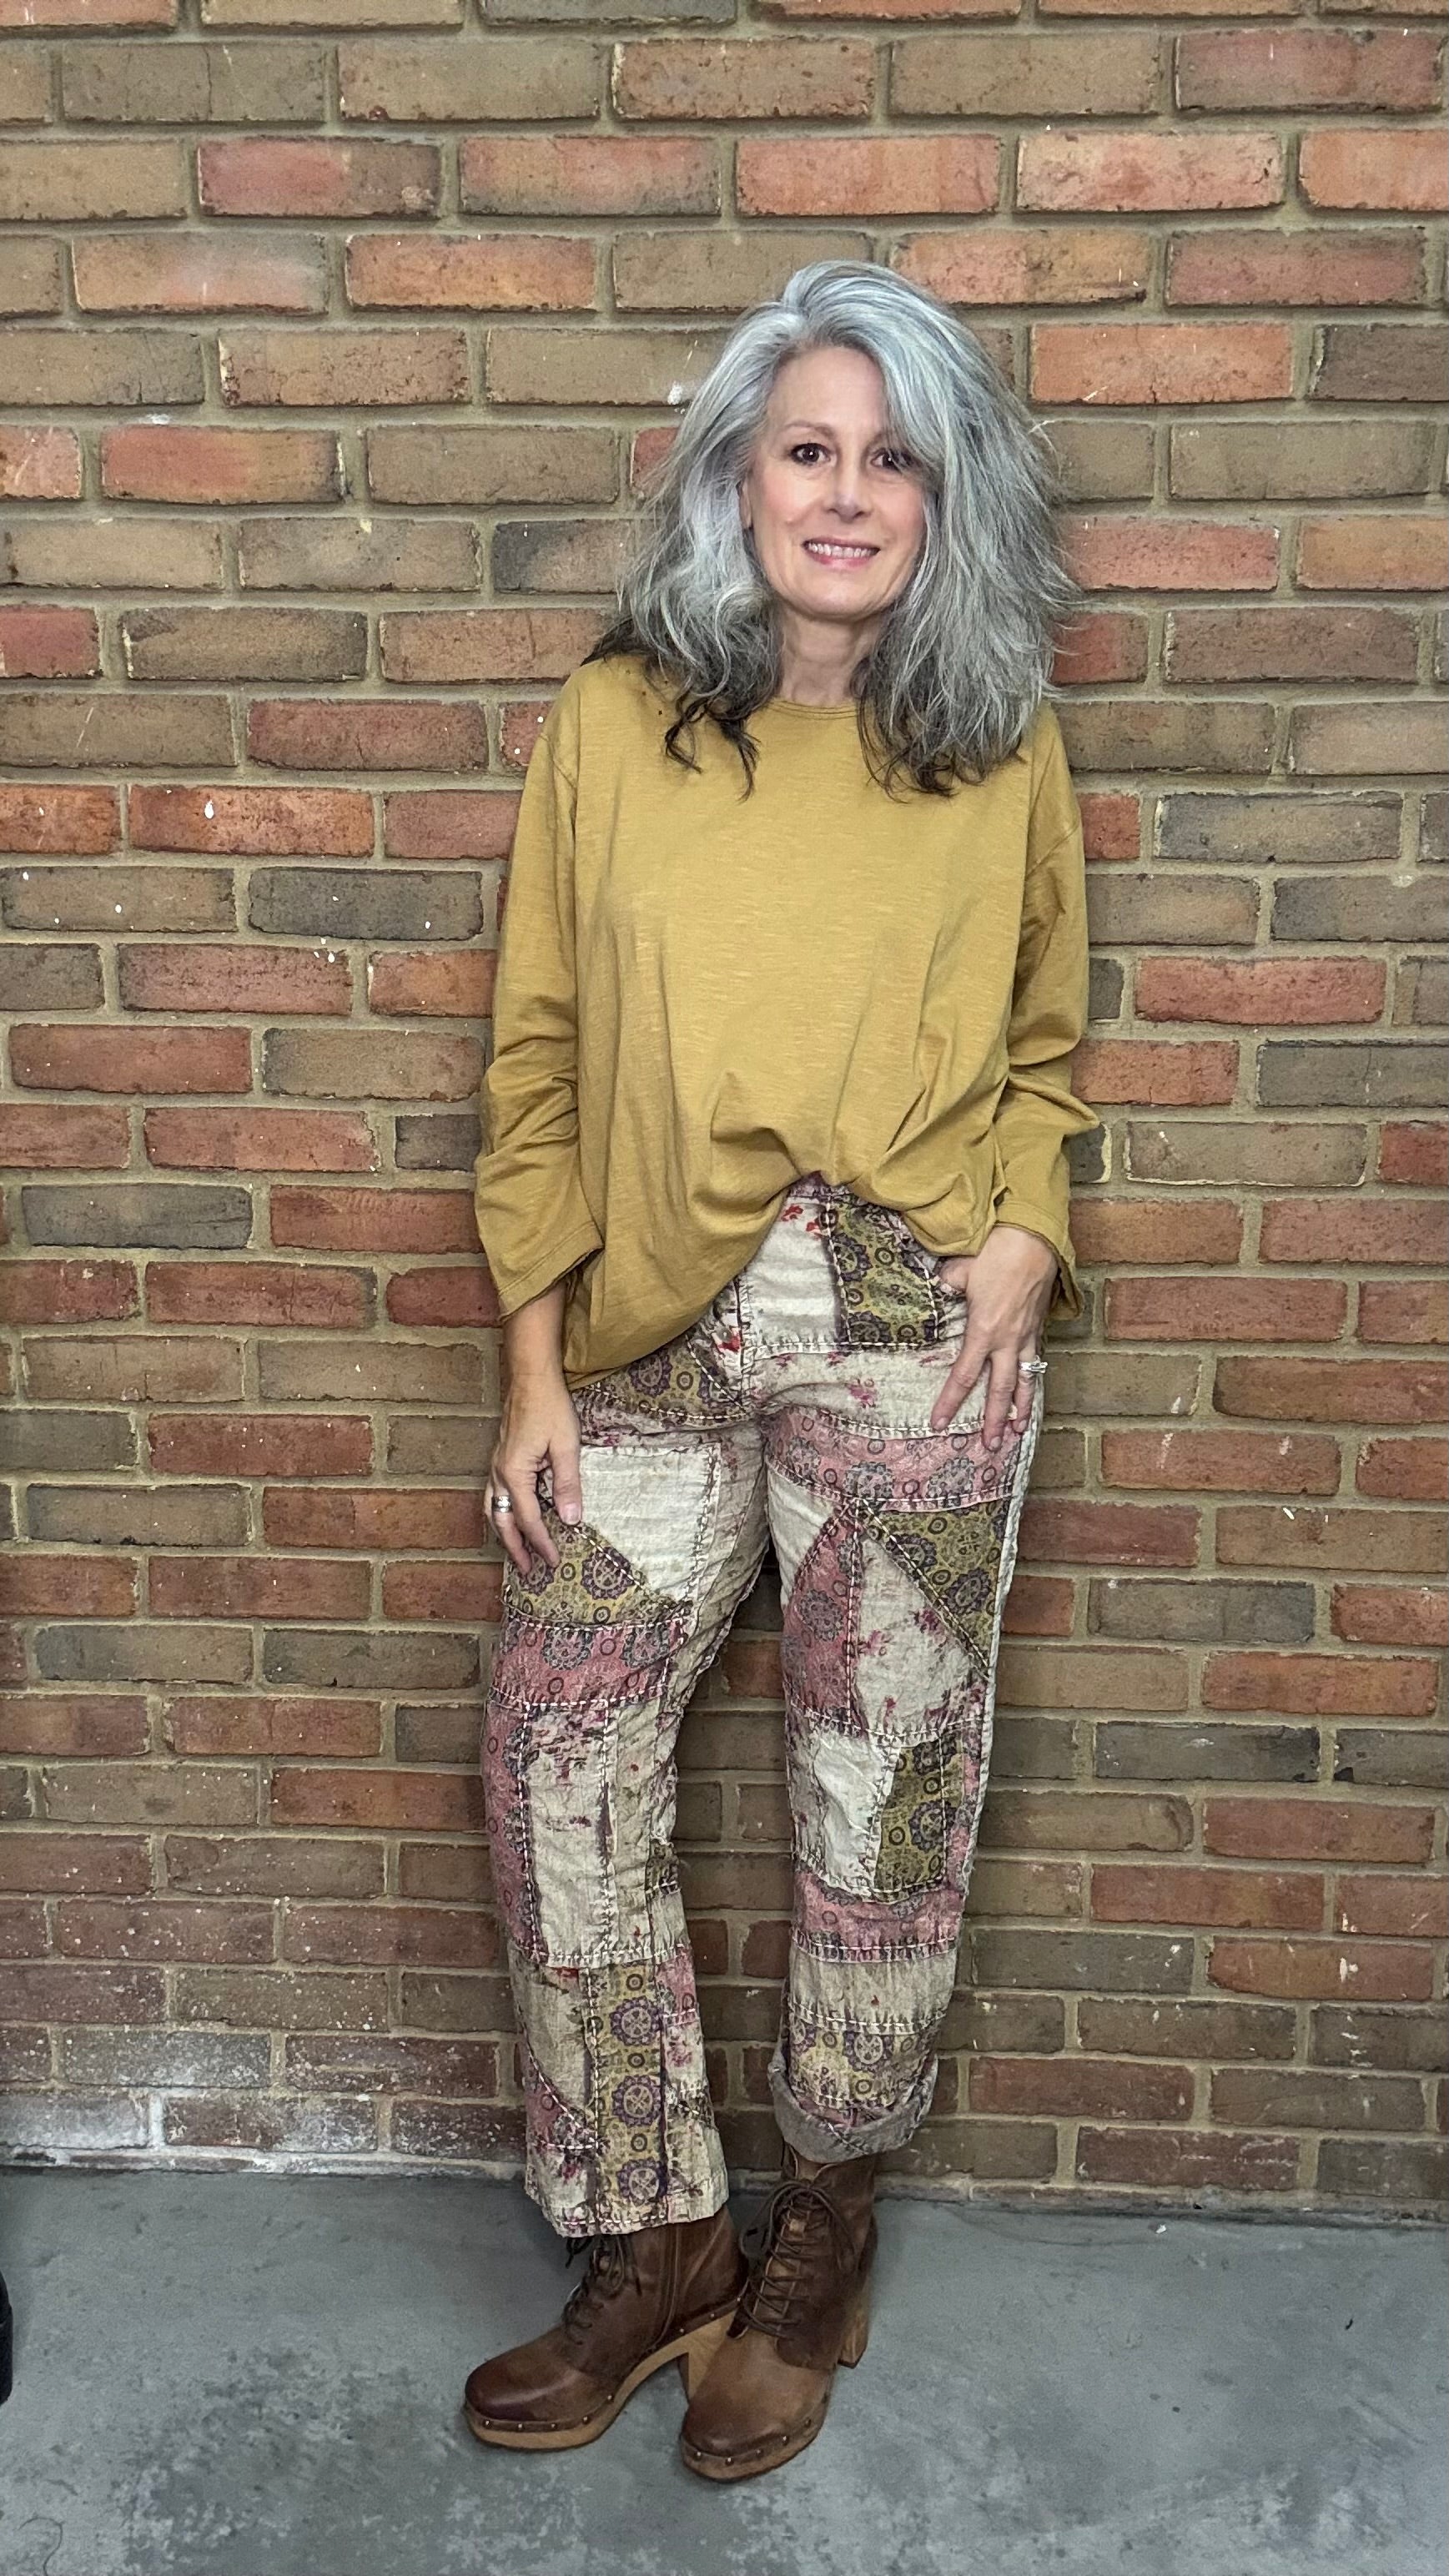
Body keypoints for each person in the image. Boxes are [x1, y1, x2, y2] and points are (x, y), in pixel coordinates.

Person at [462, 259, 1097, 2483]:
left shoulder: (993, 736)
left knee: (878, 1796)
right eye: (806, 447)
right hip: (644, 1330)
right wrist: (533, 1364)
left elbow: (1045, 1046)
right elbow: (534, 1055)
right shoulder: (615, 722)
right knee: (565, 1758)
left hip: (910, 1327)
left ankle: (818, 2226)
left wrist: (1025, 1224)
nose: (845, 493)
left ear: (943, 502)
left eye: (891, 457)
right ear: (738, 478)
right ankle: (654, 2233)